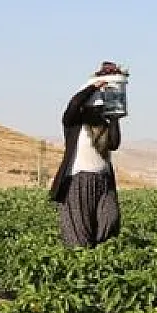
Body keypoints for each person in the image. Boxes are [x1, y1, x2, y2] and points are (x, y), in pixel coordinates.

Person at [48, 61, 125, 249]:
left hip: (103, 181)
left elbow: (114, 144)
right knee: (80, 234)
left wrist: (115, 117)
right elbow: (74, 104)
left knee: (110, 218)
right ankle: (83, 264)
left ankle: (98, 254)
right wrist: (94, 86)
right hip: (78, 182)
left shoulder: (103, 124)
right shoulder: (74, 122)